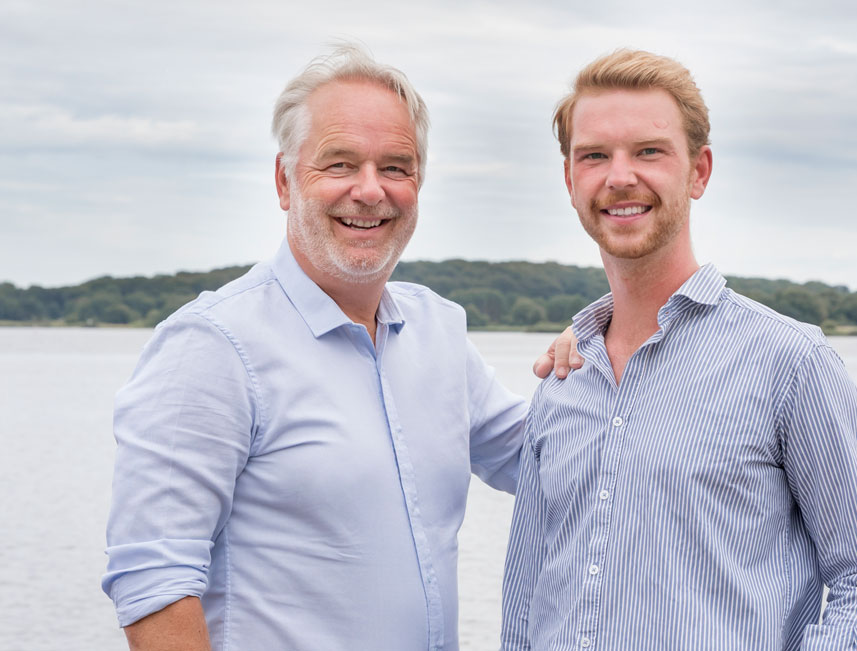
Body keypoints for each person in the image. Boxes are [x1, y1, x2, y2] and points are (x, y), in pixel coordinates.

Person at [102, 45, 576, 651]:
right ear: (284, 180)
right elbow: (153, 582)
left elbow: (550, 458)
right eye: (340, 164)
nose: (370, 191)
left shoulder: (439, 333)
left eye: (396, 167)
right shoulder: (212, 348)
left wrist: (599, 342)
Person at [501, 49, 857, 650]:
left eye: (649, 151)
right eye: (594, 156)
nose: (619, 177)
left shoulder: (788, 364)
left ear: (699, 171)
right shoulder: (564, 380)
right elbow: (525, 600)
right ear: (569, 180)